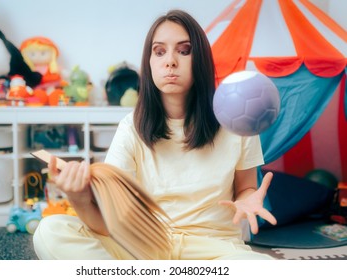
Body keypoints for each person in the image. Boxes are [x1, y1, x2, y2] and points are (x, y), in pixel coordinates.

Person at [33, 9, 277, 260]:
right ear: (148, 63)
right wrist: (79, 197)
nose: (170, 61)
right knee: (50, 231)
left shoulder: (236, 119)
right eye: (159, 51)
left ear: (201, 59)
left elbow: (246, 187)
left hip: (214, 249)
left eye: (184, 51)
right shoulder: (131, 127)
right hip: (144, 247)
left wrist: (248, 199)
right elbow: (109, 224)